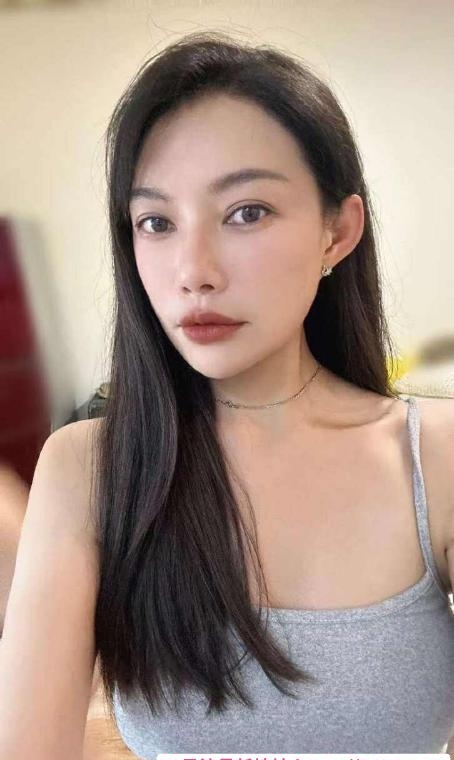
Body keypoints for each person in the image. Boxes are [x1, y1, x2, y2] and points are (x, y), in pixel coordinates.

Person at [0, 30, 453, 760]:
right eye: (156, 222)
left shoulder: (436, 455)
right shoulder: (90, 468)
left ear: (338, 231)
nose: (194, 271)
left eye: (246, 212)